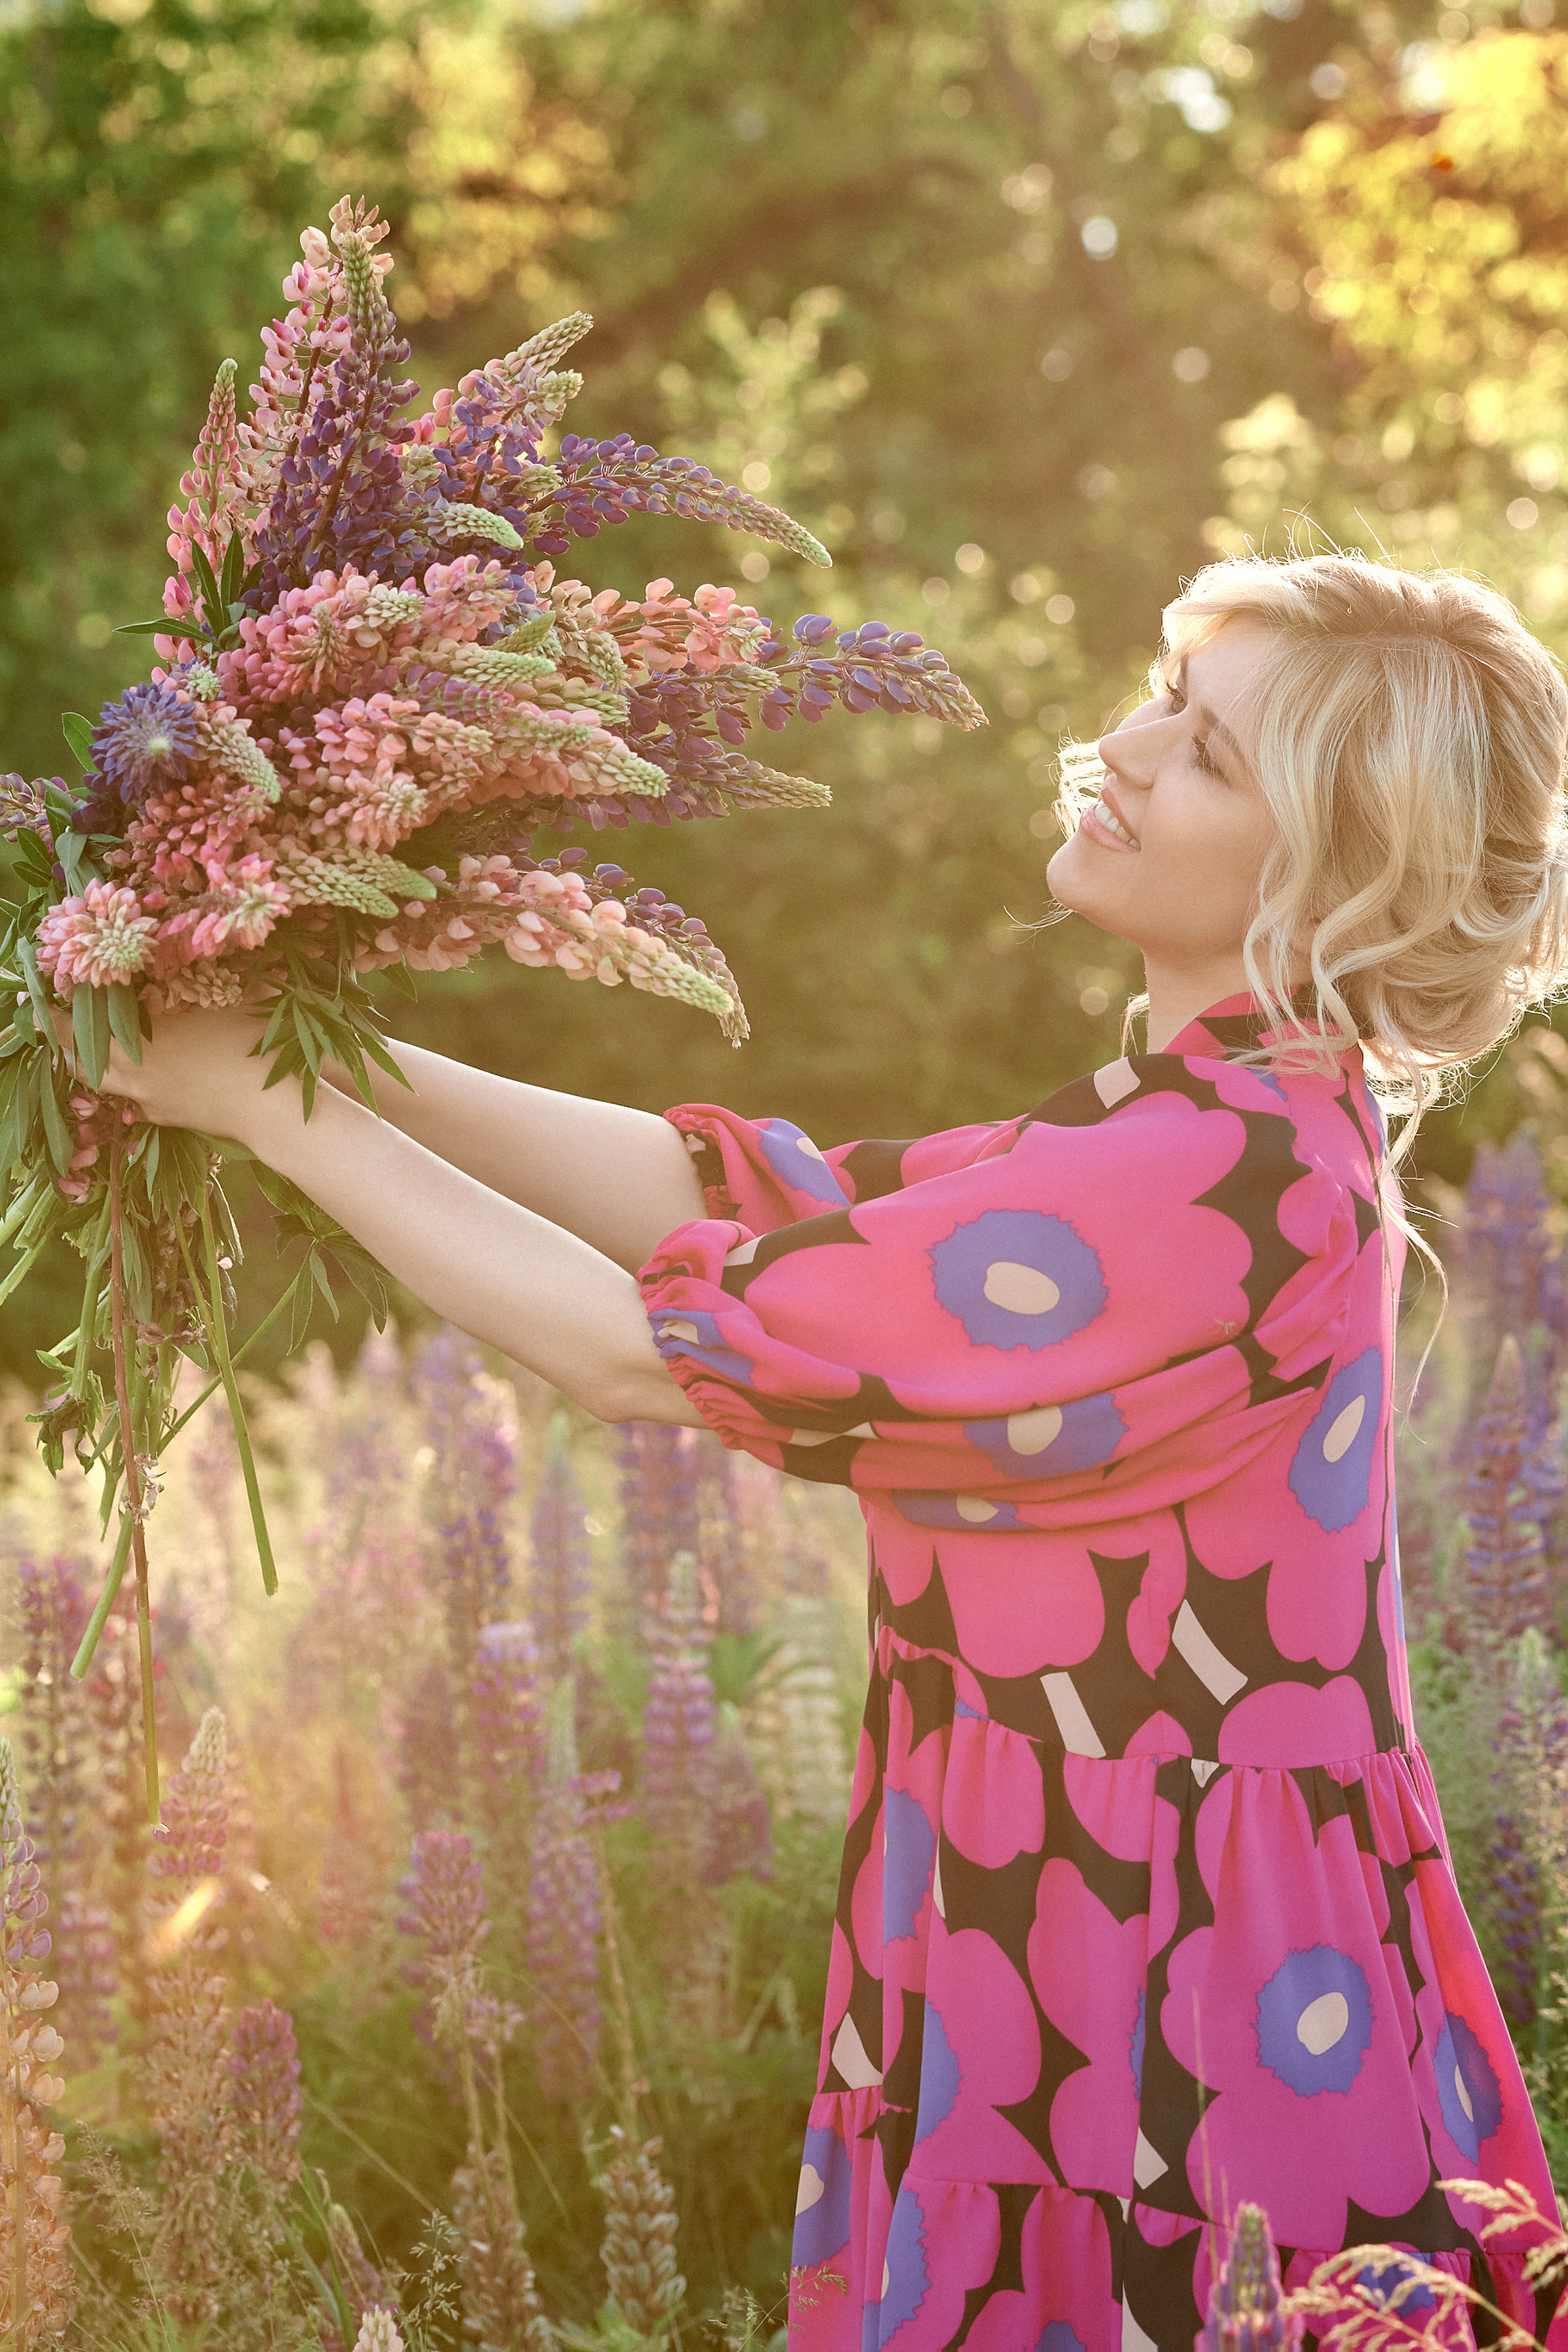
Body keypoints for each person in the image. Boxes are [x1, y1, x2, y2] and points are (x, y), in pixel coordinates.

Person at [85, 551, 1568, 2347]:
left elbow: (644, 1355)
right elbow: (741, 1205)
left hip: (1180, 1981)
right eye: (1163, 706)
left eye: (1205, 757)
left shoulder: (1226, 1175)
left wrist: (258, 1097)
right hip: (1076, 1920)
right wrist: (323, 1041)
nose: (1117, 747)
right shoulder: (1203, 1128)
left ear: (1335, 875)